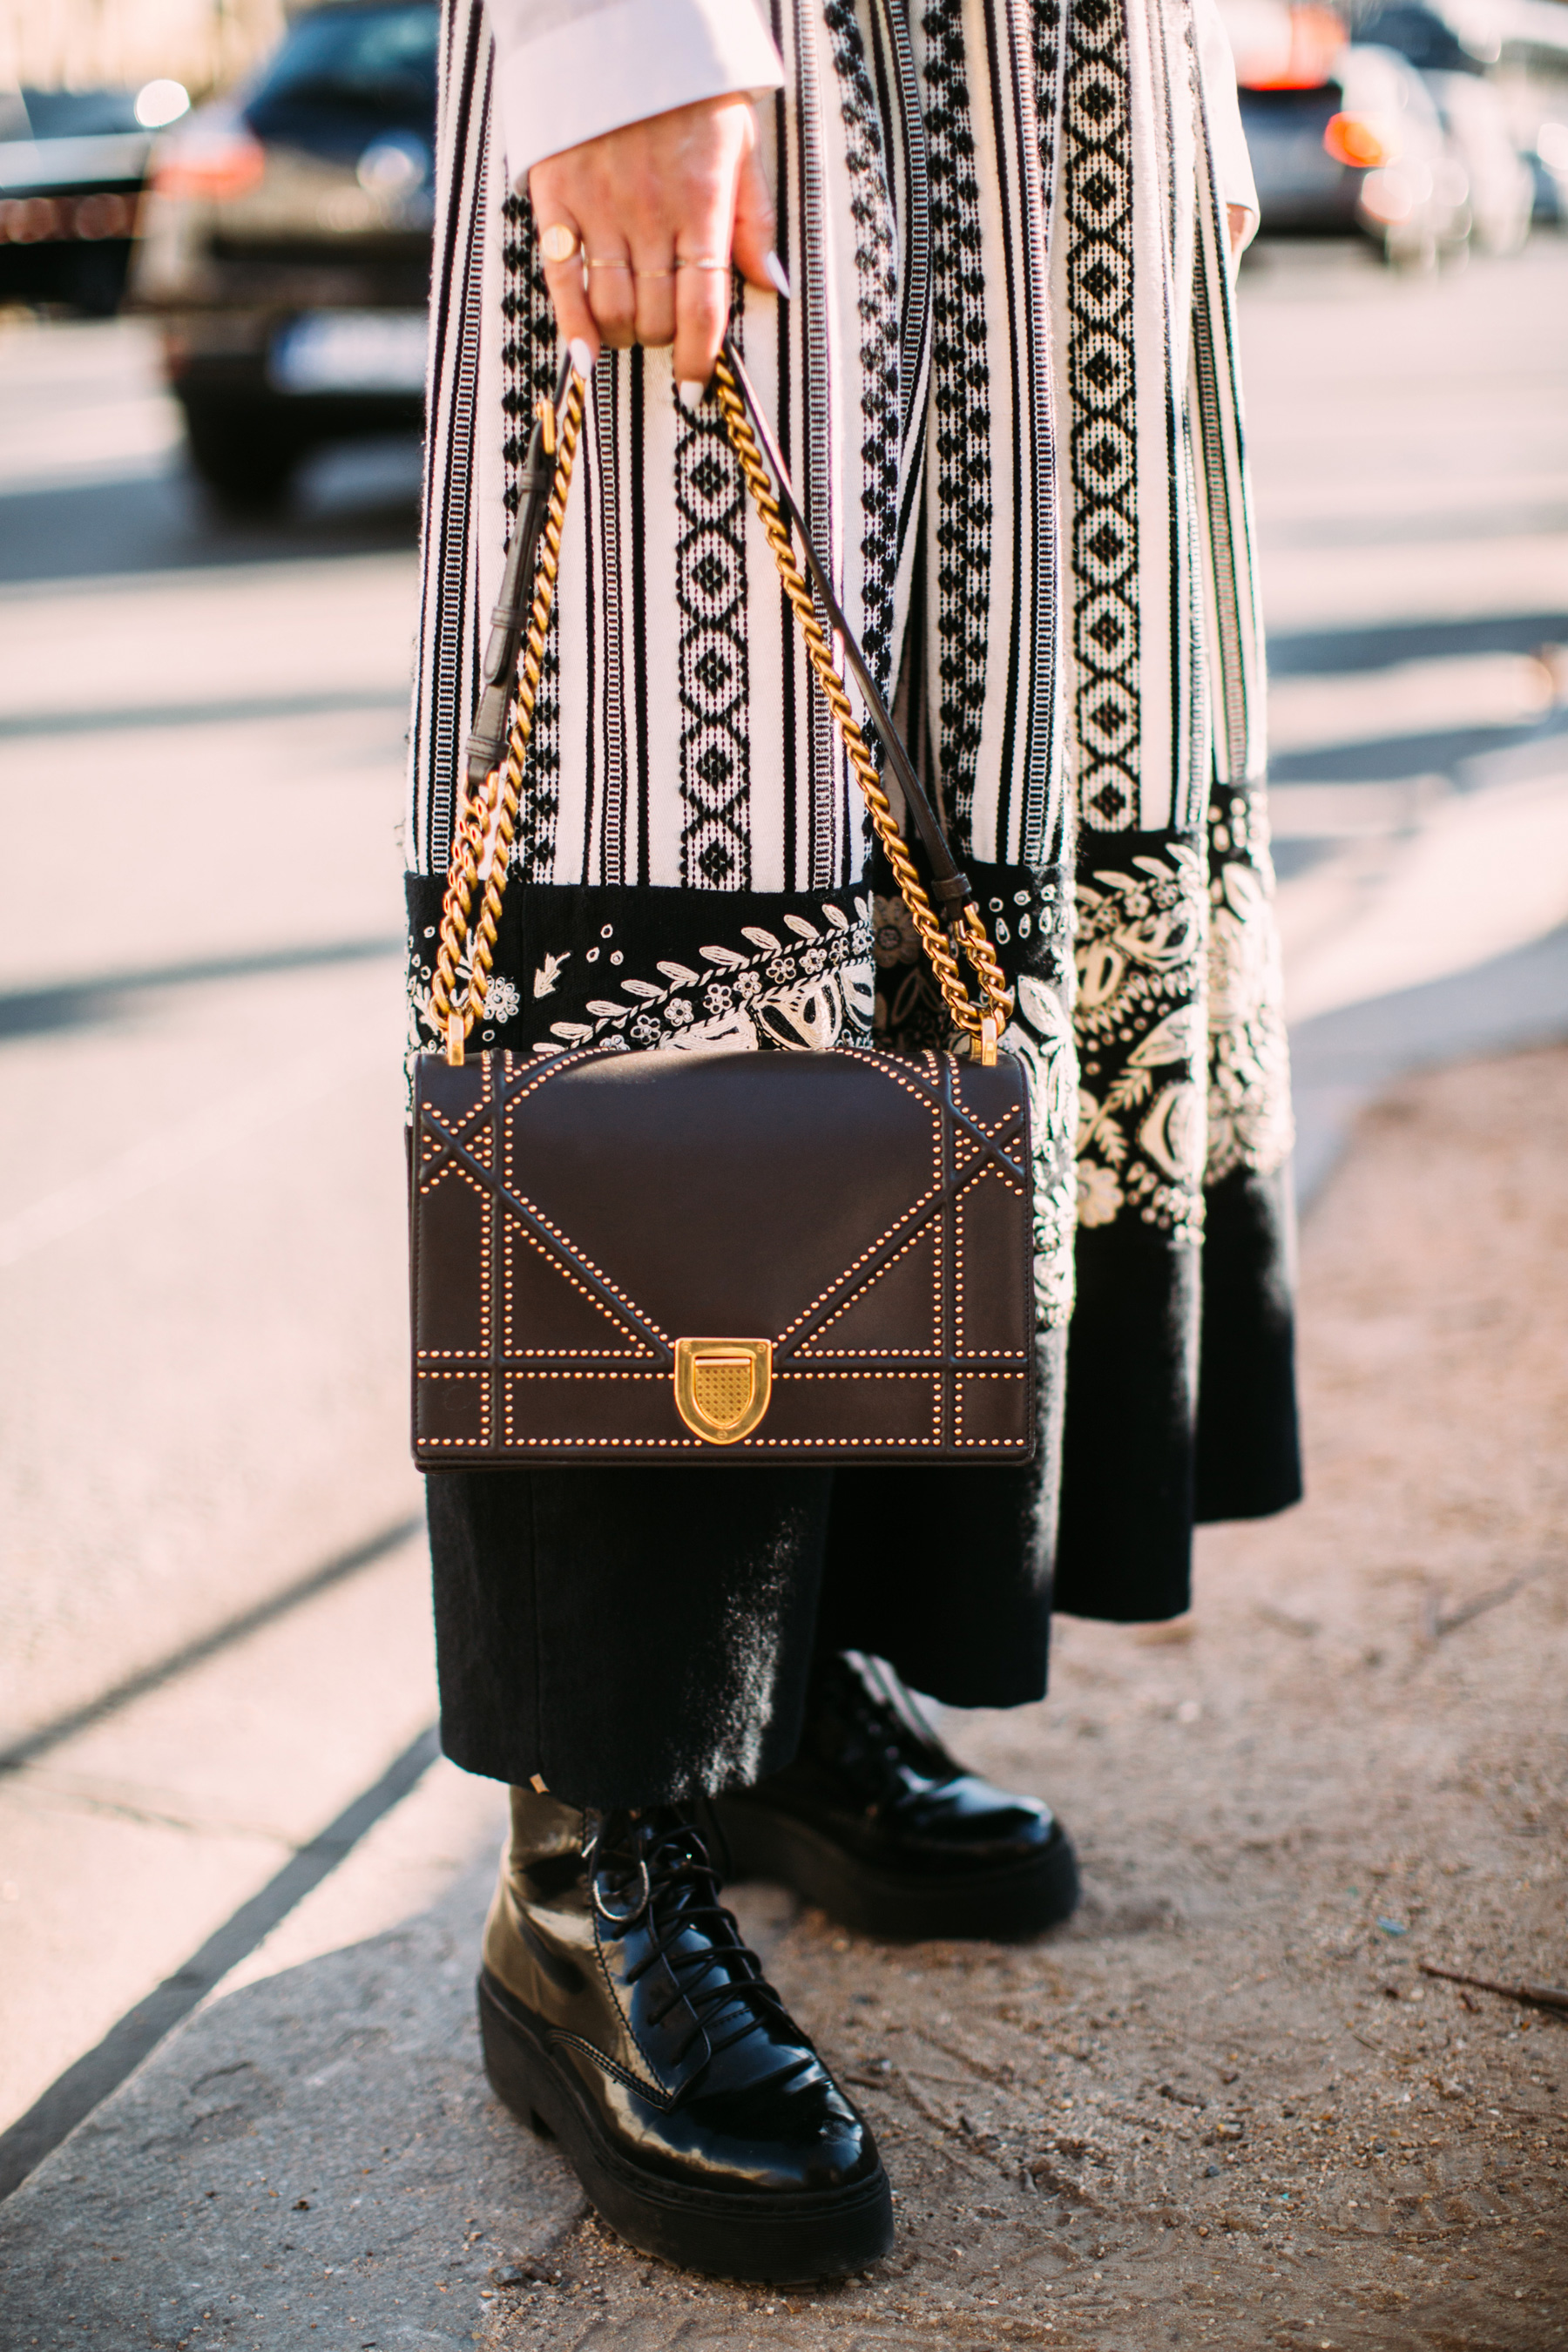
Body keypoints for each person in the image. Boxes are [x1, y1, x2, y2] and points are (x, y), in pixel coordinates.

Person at [405, 0, 1299, 2285]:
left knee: (965, 792)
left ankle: (779, 1690)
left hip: (1036, 81)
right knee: (673, 773)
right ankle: (590, 1840)